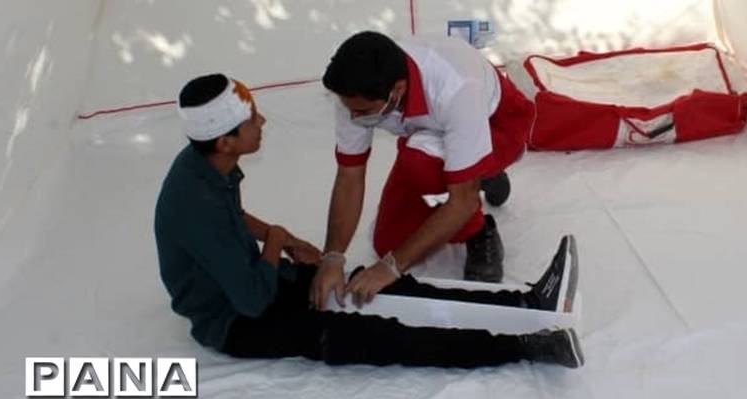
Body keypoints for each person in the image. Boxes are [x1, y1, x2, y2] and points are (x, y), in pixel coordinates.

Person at [153, 73, 582, 369]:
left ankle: (528, 304)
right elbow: (251, 300)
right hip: (238, 321)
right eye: (251, 120)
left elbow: (234, 219)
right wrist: (278, 239)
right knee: (376, 336)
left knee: (376, 288)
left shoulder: (201, 164)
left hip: (262, 282)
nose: (262, 121)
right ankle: (528, 346)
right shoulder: (195, 206)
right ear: (225, 142)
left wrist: (286, 242)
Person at [314, 31, 535, 312]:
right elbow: (349, 176)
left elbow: (462, 202)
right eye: (350, 110)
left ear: (397, 89)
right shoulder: (356, 95)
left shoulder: (456, 86)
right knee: (388, 243)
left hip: (498, 128)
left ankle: (479, 228)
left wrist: (391, 268)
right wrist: (332, 257)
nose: (354, 117)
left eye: (364, 111)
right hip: (430, 136)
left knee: (422, 164)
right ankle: (474, 173)